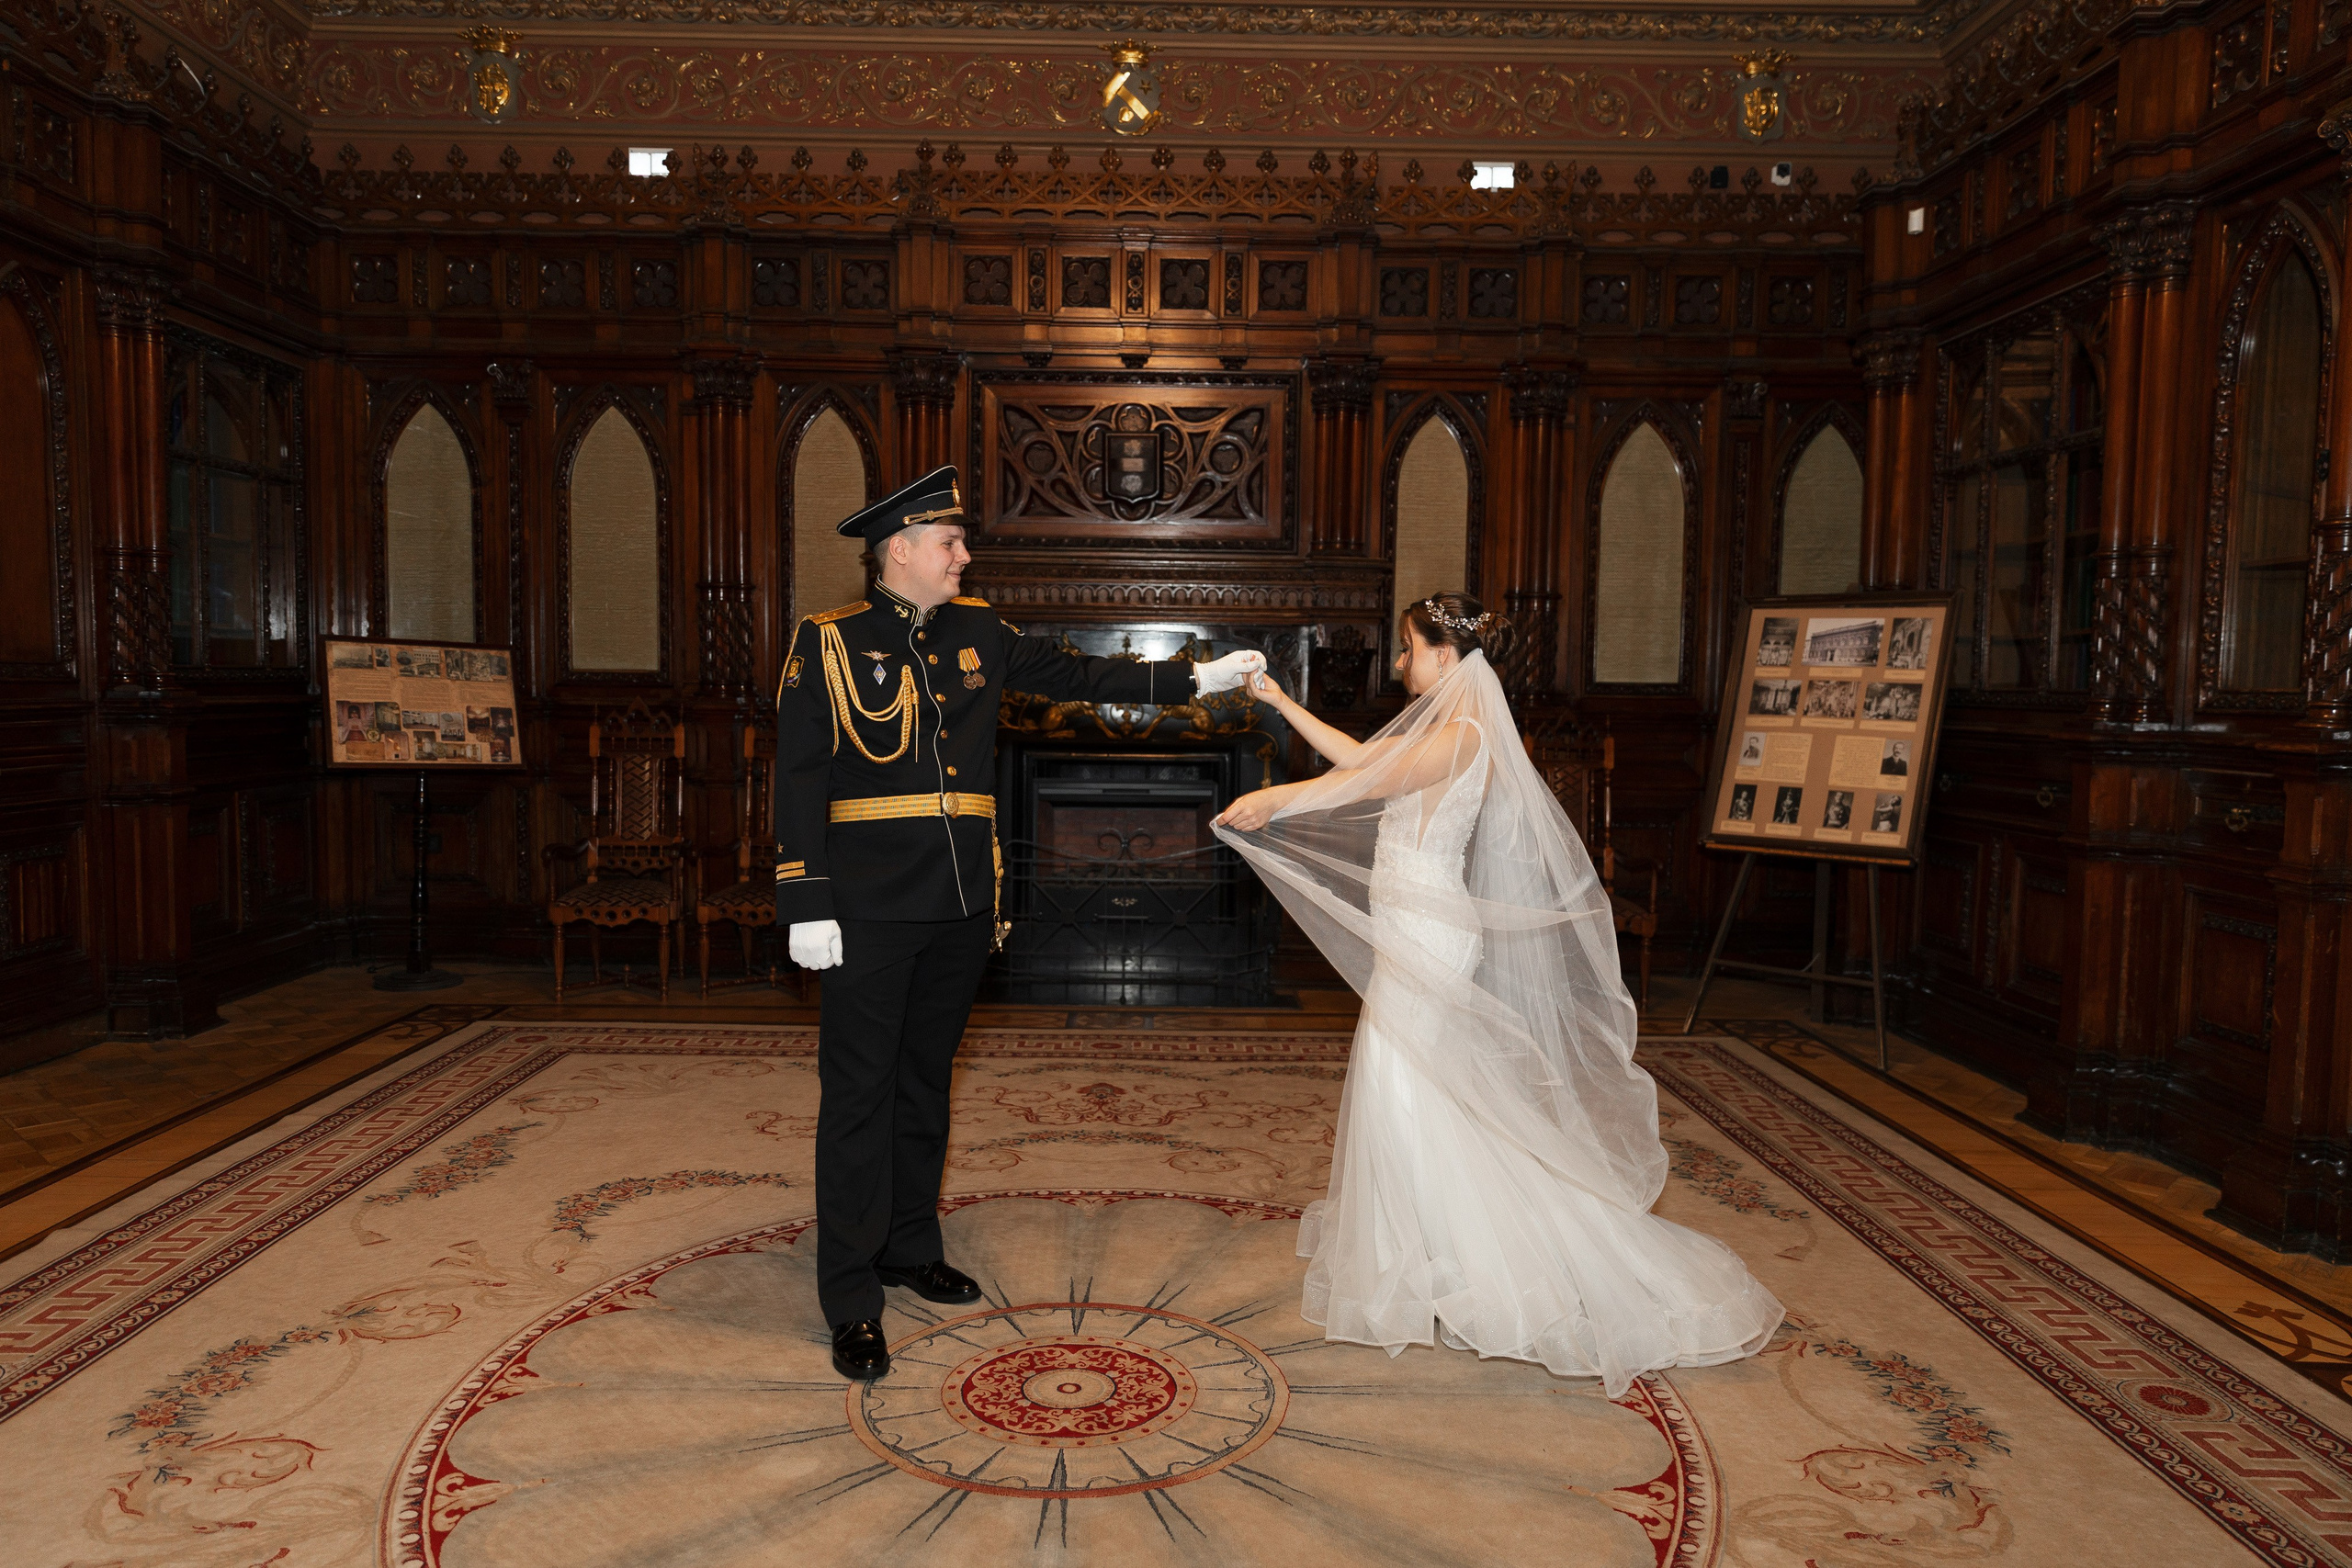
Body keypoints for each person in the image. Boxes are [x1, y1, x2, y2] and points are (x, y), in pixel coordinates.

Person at [1215, 592, 1782, 1395]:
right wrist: (1279, 701)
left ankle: (1464, 1256)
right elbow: (1360, 760)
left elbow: (1359, 782)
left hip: (1428, 936)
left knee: (1404, 1086)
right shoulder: (1442, 730)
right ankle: (1427, 1249)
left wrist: (1274, 800)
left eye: (1410, 648)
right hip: (1417, 930)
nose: (1401, 663)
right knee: (1414, 1089)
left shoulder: (1463, 734)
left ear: (1446, 657)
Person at [775, 464, 1263, 1382]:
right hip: (867, 908)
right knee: (857, 1098)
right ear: (900, 551)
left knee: (923, 1083)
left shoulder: (979, 631)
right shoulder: (830, 642)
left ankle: (907, 1246)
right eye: (949, 543)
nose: (963, 556)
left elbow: (1081, 674)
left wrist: (1195, 676)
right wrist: (805, 898)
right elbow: (799, 773)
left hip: (962, 902)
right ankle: (850, 1293)